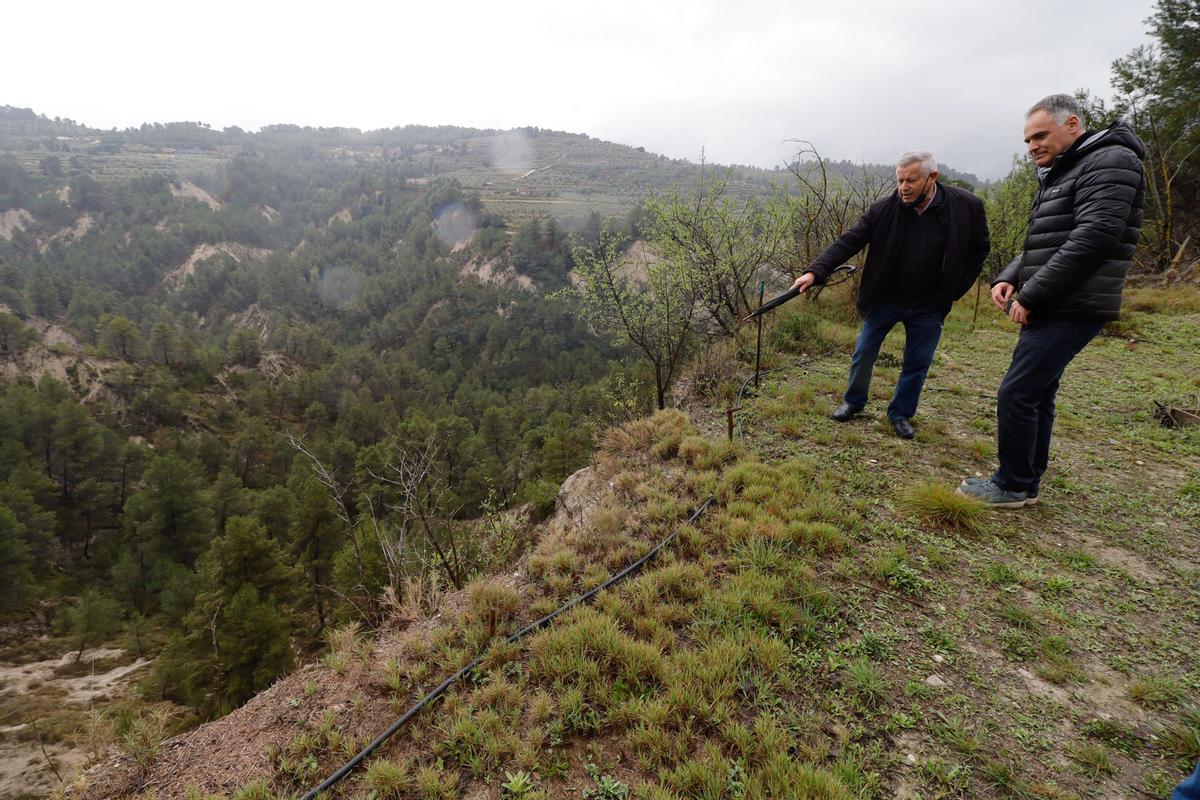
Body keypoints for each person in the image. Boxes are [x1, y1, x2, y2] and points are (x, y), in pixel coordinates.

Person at [958, 94, 1145, 507]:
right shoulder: (1068, 169)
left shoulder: (1110, 161)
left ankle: (1011, 484)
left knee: (1017, 393)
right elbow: (1045, 241)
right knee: (1036, 392)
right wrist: (1009, 276)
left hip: (1074, 303)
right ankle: (1025, 481)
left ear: (1073, 124)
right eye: (1028, 141)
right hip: (1057, 300)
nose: (1033, 147)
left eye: (1040, 135)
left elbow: (1093, 237)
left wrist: (1033, 292)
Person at [792, 151, 990, 439]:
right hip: (885, 299)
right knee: (864, 351)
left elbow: (979, 249)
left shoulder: (965, 206)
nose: (904, 187)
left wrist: (956, 289)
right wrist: (815, 272)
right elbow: (849, 240)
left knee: (917, 362)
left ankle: (900, 414)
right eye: (900, 180)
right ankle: (853, 402)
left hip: (929, 305)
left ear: (931, 177)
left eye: (911, 180)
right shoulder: (884, 209)